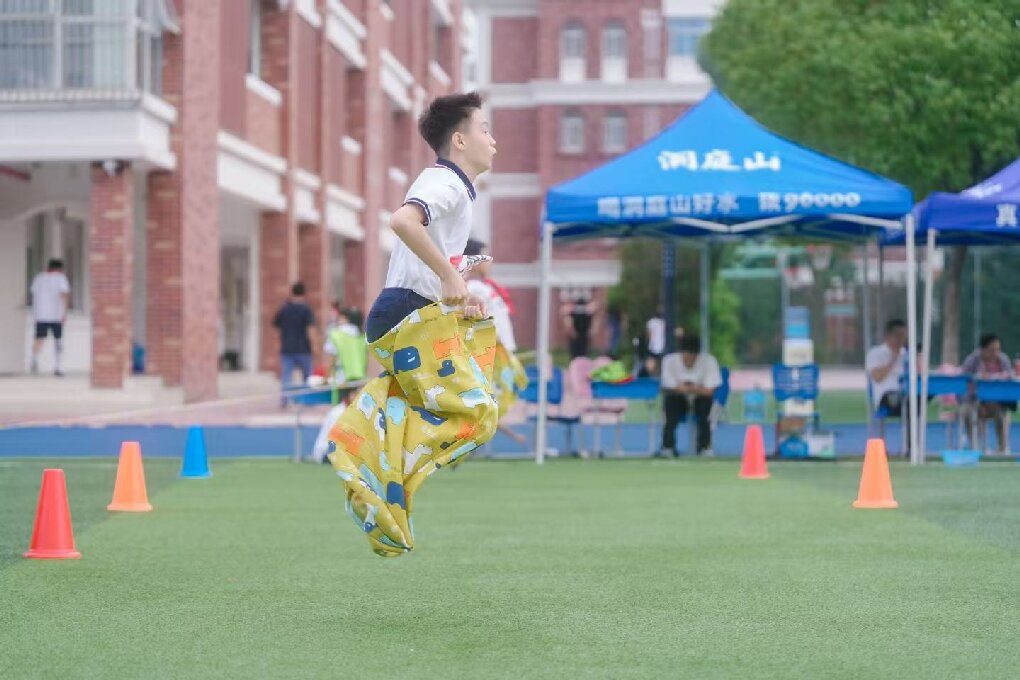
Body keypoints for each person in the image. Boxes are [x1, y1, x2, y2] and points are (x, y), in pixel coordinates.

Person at [325, 92, 500, 557]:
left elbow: (425, 262)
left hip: (411, 313)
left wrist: (458, 293)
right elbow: (403, 221)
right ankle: (360, 452)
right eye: (485, 129)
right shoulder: (445, 181)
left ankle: (376, 464)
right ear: (459, 140)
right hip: (406, 314)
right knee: (479, 411)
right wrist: (448, 276)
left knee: (474, 405)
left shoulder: (455, 188)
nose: (493, 141)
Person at [463, 238, 528, 446]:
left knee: (489, 405)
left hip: (497, 354)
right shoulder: (474, 289)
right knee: (484, 404)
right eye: (486, 258)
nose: (490, 263)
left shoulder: (484, 288)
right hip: (489, 355)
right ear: (473, 261)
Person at [659, 335, 722, 457]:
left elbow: (710, 391)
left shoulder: (709, 361)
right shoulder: (669, 361)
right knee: (671, 402)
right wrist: (694, 388)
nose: (689, 360)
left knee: (705, 405)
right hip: (679, 399)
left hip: (700, 399)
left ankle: (704, 446)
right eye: (686, 356)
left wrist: (689, 388)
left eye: (692, 357)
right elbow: (669, 387)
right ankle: (668, 446)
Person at [961, 333, 1015, 454]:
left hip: (996, 402)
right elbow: (964, 381)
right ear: (983, 349)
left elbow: (1010, 378)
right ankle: (974, 447)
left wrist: (1004, 376)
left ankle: (1002, 448)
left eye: (998, 349)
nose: (996, 353)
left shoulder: (1003, 359)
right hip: (974, 401)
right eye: (992, 350)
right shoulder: (972, 360)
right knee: (966, 411)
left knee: (1002, 412)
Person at [273, 282, 317, 406]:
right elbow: (310, 329)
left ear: (292, 293)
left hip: (287, 347)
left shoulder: (284, 309)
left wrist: (278, 344)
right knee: (307, 376)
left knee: (286, 376)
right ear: (304, 293)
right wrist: (314, 346)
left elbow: (277, 328)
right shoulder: (306, 309)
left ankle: (284, 399)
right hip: (304, 348)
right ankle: (308, 400)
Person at [29, 259, 71, 376]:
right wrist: (64, 312)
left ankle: (34, 360)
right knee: (58, 340)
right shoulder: (61, 278)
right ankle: (58, 366)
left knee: (39, 338)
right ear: (60, 268)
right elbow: (64, 295)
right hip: (56, 314)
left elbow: (33, 293)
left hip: (40, 314)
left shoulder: (39, 278)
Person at [865, 319, 908, 417]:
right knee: (900, 398)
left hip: (905, 393)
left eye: (904, 336)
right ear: (888, 336)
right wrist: (892, 361)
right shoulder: (875, 353)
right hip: (886, 396)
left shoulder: (906, 354)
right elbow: (877, 377)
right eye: (898, 336)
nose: (901, 340)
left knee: (920, 396)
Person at [324, 306, 367, 386]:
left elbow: (331, 359)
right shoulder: (362, 336)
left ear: (345, 318)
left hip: (341, 379)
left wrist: (326, 379)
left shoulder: (335, 334)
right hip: (360, 378)